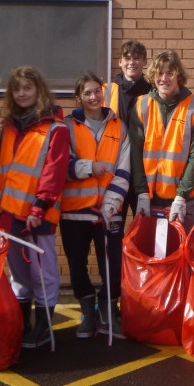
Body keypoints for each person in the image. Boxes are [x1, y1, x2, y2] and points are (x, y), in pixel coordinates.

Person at [0, 66, 69, 348]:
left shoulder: (55, 127)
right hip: (9, 214)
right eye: (17, 89)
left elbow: (55, 170)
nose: (22, 93)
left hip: (38, 215)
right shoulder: (9, 125)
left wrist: (39, 208)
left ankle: (44, 327)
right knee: (18, 273)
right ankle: (22, 323)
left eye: (27, 88)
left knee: (43, 272)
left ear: (38, 90)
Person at [61, 72, 131, 339]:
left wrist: (111, 204)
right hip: (74, 211)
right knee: (77, 265)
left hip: (109, 212)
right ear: (79, 97)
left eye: (97, 92)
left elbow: (123, 170)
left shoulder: (118, 126)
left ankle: (108, 311)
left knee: (113, 266)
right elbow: (61, 166)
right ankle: (88, 313)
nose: (93, 97)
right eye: (87, 93)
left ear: (103, 93)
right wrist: (89, 167)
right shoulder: (66, 126)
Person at [129, 50, 194, 234]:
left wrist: (181, 196)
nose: (164, 78)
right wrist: (141, 192)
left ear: (178, 76)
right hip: (148, 198)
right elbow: (134, 152)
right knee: (150, 257)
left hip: (182, 199)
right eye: (159, 73)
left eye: (169, 73)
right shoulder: (142, 105)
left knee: (180, 256)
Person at [104, 40, 150, 217]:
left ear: (145, 62)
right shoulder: (106, 92)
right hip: (114, 173)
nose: (132, 62)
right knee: (113, 233)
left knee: (146, 232)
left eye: (137, 58)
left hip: (144, 174)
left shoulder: (153, 92)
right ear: (120, 62)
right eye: (127, 58)